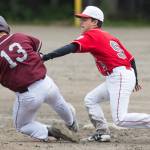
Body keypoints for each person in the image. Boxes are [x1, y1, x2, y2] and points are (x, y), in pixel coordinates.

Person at [42, 5, 150, 142]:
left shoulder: (92, 34)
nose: (81, 22)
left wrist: (46, 57)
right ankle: (102, 131)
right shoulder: (109, 36)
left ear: (95, 22)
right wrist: (135, 80)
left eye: (85, 19)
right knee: (91, 99)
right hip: (120, 76)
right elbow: (131, 59)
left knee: (120, 119)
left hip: (120, 76)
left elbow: (71, 47)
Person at [0, 16, 79, 143]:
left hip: (28, 96)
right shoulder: (19, 36)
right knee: (59, 103)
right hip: (47, 83)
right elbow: (37, 46)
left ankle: (46, 130)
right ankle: (71, 123)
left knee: (22, 125)